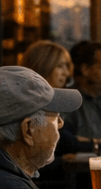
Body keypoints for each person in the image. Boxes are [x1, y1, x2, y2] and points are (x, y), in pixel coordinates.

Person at [21, 41, 81, 169]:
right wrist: (97, 144)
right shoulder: (29, 101)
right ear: (42, 66)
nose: (66, 73)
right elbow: (65, 141)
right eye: (60, 66)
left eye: (67, 66)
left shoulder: (61, 100)